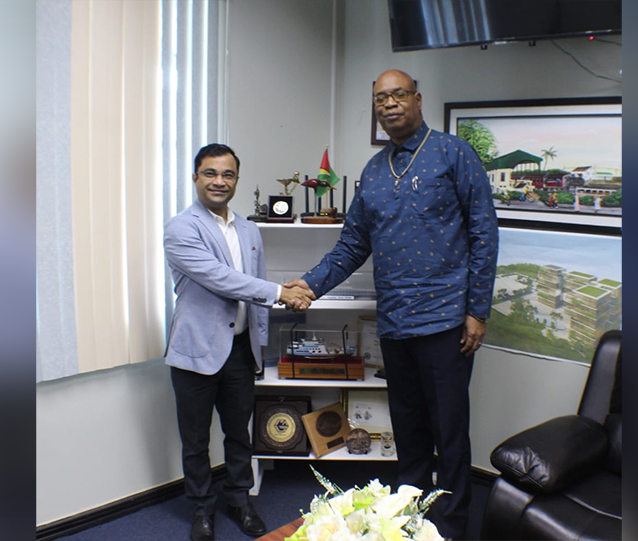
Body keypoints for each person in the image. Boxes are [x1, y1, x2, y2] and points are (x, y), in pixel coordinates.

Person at [286, 70, 498, 539]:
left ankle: (454, 525)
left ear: (417, 100)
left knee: (450, 432)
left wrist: (477, 310)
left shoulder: (454, 154)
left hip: (447, 322)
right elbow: (351, 245)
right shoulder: (374, 171)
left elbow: (485, 233)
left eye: (398, 94)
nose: (389, 104)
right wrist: (310, 284)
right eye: (380, 98)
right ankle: (407, 519)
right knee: (409, 431)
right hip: (396, 323)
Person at [164, 143, 316, 541]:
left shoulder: (249, 229)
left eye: (227, 174)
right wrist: (280, 291)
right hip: (195, 352)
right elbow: (219, 278)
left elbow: (256, 298)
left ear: (236, 179)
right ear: (195, 178)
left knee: (239, 435)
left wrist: (259, 348)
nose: (219, 181)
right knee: (195, 441)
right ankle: (201, 509)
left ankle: (239, 501)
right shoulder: (181, 228)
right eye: (210, 173)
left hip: (239, 351)